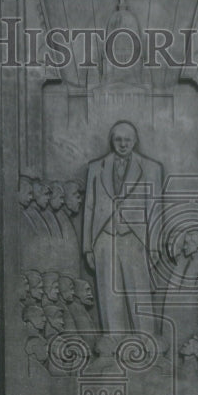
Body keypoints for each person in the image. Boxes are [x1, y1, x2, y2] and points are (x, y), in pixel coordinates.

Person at [82, 120, 162, 335]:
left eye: (127, 140)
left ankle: (147, 344)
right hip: (104, 238)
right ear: (112, 141)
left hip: (135, 238)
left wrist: (153, 246)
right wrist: (88, 246)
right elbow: (89, 207)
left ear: (135, 142)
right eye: (118, 139)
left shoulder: (151, 169)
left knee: (139, 293)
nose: (123, 144)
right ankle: (113, 347)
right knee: (109, 295)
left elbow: (155, 209)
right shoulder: (96, 168)